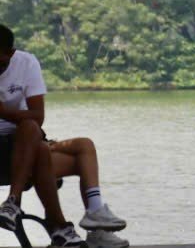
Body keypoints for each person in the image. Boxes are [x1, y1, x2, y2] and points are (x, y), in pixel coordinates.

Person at [0, 26, 126, 247]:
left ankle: (96, 222)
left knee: (82, 146)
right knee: (36, 142)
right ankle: (57, 227)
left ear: (11, 53)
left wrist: (3, 112)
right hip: (5, 157)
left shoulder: (26, 63)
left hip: (23, 145)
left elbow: (38, 117)